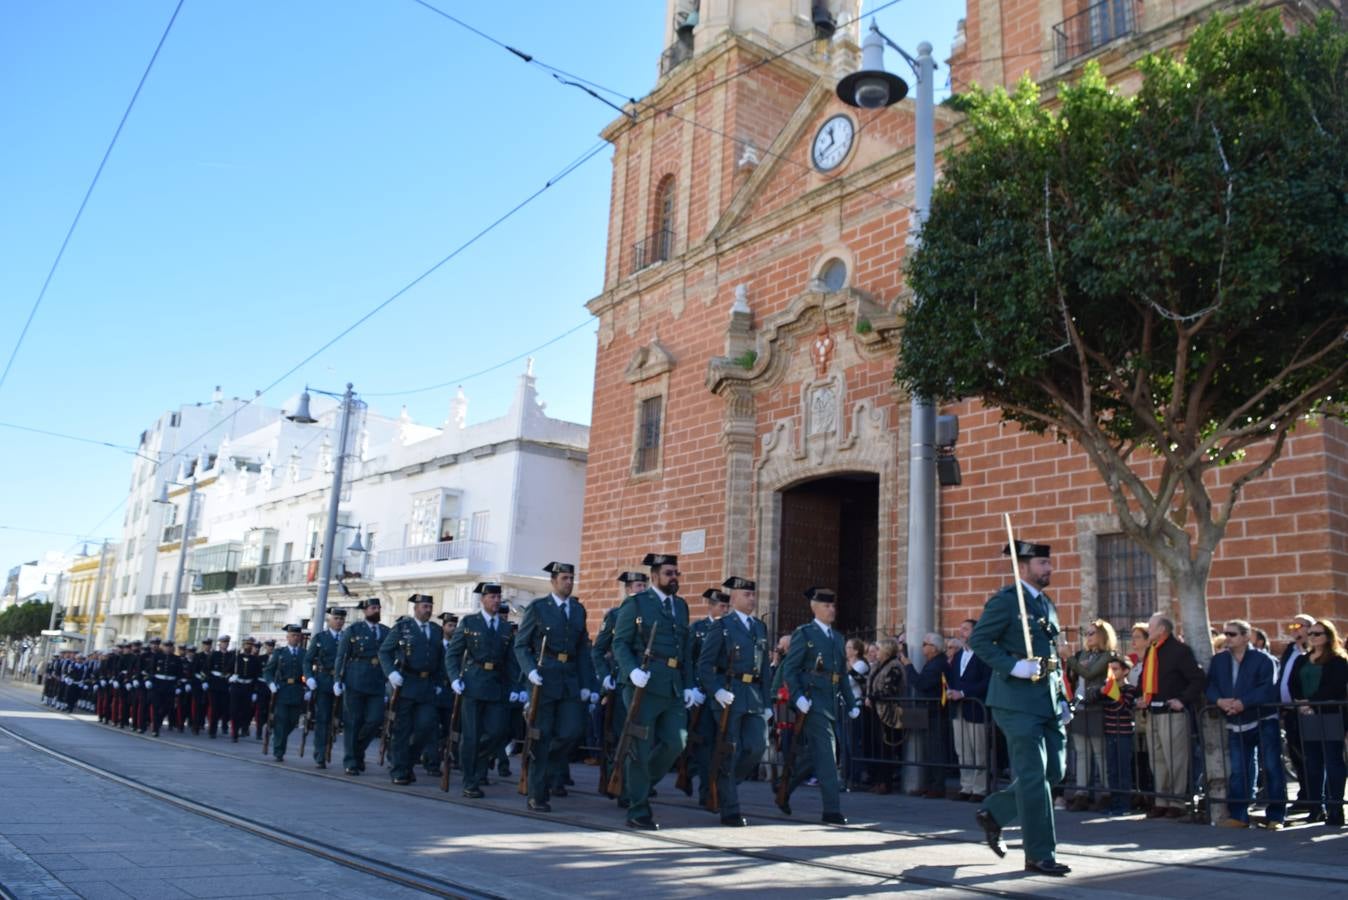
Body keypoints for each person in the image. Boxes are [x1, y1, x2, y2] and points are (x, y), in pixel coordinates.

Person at [969, 539, 1072, 877]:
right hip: (1015, 701)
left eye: (1048, 563)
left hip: (1047, 700)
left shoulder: (1047, 604)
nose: (1049, 569)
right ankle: (1039, 854)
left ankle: (995, 812)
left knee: (1053, 772)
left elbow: (1054, 655)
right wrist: (1013, 666)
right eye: (1042, 563)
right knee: (1033, 776)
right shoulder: (1005, 602)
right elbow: (981, 641)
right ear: (1024, 567)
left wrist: (1062, 697)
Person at [612, 553, 695, 829]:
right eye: (669, 573)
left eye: (676, 573)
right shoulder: (636, 604)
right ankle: (638, 810)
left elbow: (686, 651)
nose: (674, 577)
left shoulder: (681, 607)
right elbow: (620, 643)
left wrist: (690, 684)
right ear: (655, 576)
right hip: (642, 686)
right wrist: (632, 670)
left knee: (677, 742)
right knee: (640, 747)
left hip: (672, 684)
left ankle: (640, 786)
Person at [514, 562, 598, 812]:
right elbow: (521, 645)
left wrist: (587, 683)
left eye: (571, 578)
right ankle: (537, 794)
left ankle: (545, 767)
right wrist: (530, 671)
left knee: (572, 731)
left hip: (570, 679)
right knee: (542, 735)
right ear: (553, 581)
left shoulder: (578, 610)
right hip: (544, 678)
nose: (569, 582)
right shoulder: (539, 608)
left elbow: (583, 649)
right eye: (564, 578)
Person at [777, 586, 859, 825]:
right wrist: (798, 696)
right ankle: (831, 809)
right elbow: (790, 669)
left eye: (833, 605)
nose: (832, 609)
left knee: (816, 755)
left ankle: (784, 786)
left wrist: (851, 702)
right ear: (815, 608)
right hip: (813, 702)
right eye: (827, 605)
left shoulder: (837, 637)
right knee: (827, 753)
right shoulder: (805, 633)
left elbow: (841, 675)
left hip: (830, 701)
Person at [697, 576, 770, 827]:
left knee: (757, 746)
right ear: (735, 597)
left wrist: (768, 702)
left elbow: (766, 670)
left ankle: (724, 786)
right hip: (729, 694)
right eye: (746, 595)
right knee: (730, 749)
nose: (751, 599)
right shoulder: (722, 626)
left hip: (754, 695)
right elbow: (704, 665)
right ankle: (730, 808)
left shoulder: (760, 628)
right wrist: (716, 691)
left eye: (753, 594)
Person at [1205, 619, 1284, 829]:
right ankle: (1239, 815)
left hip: (1263, 719)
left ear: (1246, 637)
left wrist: (1243, 702)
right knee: (1239, 770)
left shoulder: (1264, 660)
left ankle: (1276, 816)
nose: (1228, 638)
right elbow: (1210, 684)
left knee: (1272, 767)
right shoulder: (1219, 660)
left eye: (1232, 634)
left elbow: (1268, 688)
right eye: (1226, 634)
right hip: (1235, 721)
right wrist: (1220, 701)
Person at [446, 583, 516, 798]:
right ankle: (471, 780)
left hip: (496, 685)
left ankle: (477, 763)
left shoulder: (505, 628)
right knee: (472, 736)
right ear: (483, 600)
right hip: (473, 683)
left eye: (498, 597)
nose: (497, 601)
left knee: (497, 733)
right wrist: (454, 678)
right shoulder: (469, 622)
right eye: (493, 597)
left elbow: (511, 660)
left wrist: (516, 686)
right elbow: (453, 654)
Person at [1136, 613, 1205, 819]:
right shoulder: (1151, 650)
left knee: (1175, 758)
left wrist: (1182, 700)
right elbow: (1144, 677)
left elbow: (1197, 679)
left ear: (1162, 630)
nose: (1148, 629)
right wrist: (1142, 695)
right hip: (1153, 711)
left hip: (1172, 713)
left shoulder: (1180, 651)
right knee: (1157, 759)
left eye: (1151, 626)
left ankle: (1176, 801)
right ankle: (1161, 800)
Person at [379, 594, 447, 786]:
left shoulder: (435, 630)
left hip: (427, 686)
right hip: (407, 683)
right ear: (415, 608)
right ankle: (399, 770)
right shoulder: (403, 628)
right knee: (402, 729)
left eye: (430, 606)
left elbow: (441, 657)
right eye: (424, 606)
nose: (428, 609)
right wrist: (391, 673)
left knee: (426, 727)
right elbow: (384, 651)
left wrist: (440, 682)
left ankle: (408, 763)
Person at [1288, 618, 1348, 827]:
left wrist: (1311, 702)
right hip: (1306, 716)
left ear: (1328, 637)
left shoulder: (1339, 660)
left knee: (1333, 761)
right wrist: (1301, 703)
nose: (1312, 637)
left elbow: (1336, 686)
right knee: (1312, 763)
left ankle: (1335, 808)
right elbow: (1293, 683)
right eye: (1311, 633)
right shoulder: (1302, 659)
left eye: (1317, 634)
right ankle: (1315, 808)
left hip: (1331, 714)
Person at [593, 571, 645, 802]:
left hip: (645, 683)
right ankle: (619, 783)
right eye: (637, 586)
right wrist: (605, 676)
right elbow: (598, 650)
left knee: (640, 736)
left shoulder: (653, 613)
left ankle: (635, 782)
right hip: (621, 682)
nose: (641, 590)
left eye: (644, 585)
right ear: (627, 589)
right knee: (620, 736)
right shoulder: (615, 614)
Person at [1064, 620, 1116, 811]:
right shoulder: (1083, 654)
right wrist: (1073, 662)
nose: (1088, 636)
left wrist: (1071, 659)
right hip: (1080, 707)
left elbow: (1090, 672)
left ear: (1103, 635)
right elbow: (1075, 675)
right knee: (1081, 752)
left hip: (1096, 708)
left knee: (1099, 752)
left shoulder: (1107, 656)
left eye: (1092, 633)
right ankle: (1081, 792)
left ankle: (1106, 792)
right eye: (1087, 633)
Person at [334, 597, 387, 776]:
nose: (376, 610)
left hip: (378, 682)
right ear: (365, 611)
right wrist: (337, 680)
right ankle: (351, 761)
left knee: (375, 720)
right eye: (373, 608)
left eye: (378, 608)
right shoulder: (354, 630)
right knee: (353, 722)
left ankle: (357, 750)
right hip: (355, 679)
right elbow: (342, 656)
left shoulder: (386, 631)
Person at [688, 588, 730, 807]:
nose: (724, 609)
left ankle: (717, 788)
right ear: (711, 607)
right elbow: (691, 660)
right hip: (701, 696)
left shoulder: (730, 628)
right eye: (721, 606)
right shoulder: (698, 629)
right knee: (703, 745)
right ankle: (705, 790)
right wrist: (693, 688)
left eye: (726, 606)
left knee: (719, 744)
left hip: (721, 693)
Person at [947, 618, 992, 801]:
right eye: (961, 629)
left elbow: (987, 682)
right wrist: (950, 691)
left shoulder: (984, 655)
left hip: (975, 708)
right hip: (958, 708)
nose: (961, 633)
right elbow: (953, 678)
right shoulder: (958, 655)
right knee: (962, 749)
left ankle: (980, 788)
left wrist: (964, 692)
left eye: (965, 629)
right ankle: (966, 786)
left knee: (978, 749)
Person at [1089, 655, 1137, 816]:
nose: (1112, 673)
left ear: (1125, 671)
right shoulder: (1107, 687)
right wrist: (1101, 691)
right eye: (1110, 669)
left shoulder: (1130, 690)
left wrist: (1111, 692)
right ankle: (1114, 802)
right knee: (1112, 770)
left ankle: (1124, 804)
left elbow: (1121, 707)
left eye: (1115, 669)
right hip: (1109, 733)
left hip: (1123, 734)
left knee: (1123, 770)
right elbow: (1092, 697)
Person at [1279, 613, 1316, 814]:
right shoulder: (1289, 650)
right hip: (1290, 711)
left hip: (1308, 710)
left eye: (1299, 625)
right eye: (1292, 625)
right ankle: (1304, 796)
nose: (1294, 629)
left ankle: (1316, 798)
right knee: (1296, 755)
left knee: (1313, 756)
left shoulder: (1314, 652)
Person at [905, 632, 950, 798]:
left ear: (935, 648)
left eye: (925, 644)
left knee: (935, 750)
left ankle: (937, 786)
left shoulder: (937, 664)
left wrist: (909, 666)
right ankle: (929, 783)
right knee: (927, 750)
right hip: (928, 711)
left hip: (935, 712)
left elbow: (921, 683)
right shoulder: (931, 662)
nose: (922, 647)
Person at [864, 637, 906, 794]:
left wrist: (872, 697)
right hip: (875, 711)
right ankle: (877, 779)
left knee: (886, 748)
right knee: (875, 747)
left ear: (887, 651)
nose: (876, 653)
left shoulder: (894, 666)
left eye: (879, 649)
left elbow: (889, 689)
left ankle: (885, 782)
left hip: (889, 713)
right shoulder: (877, 665)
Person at [304, 607, 346, 769]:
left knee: (343, 719)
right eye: (336, 618)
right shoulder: (320, 638)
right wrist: (310, 678)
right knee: (323, 719)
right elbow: (308, 660)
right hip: (324, 681)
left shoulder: (348, 638)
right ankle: (320, 753)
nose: (339, 621)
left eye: (341, 619)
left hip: (343, 682)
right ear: (329, 620)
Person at [262, 625, 308, 761]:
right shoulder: (280, 652)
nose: (295, 638)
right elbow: (268, 671)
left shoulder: (304, 653)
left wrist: (309, 688)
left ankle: (278, 736)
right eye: (293, 635)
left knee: (293, 721)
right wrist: (271, 684)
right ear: (287, 637)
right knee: (281, 721)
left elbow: (308, 672)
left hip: (297, 690)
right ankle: (279, 751)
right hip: (282, 690)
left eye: (298, 635)